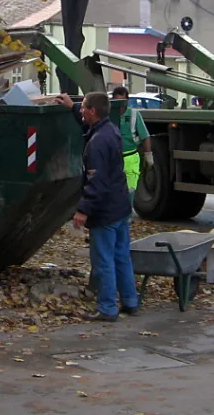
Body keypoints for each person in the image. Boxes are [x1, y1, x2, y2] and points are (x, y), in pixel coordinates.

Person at [58, 92, 139, 322]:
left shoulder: (97, 144)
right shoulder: (110, 130)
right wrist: (72, 107)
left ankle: (107, 308)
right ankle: (130, 301)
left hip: (105, 212)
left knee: (103, 261)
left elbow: (96, 182)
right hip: (120, 207)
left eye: (83, 107)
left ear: (93, 111)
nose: (81, 110)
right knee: (122, 257)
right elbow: (88, 127)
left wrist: (83, 210)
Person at [109, 87, 152, 203]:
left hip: (130, 158)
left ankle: (126, 216)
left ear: (127, 100)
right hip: (113, 159)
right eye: (117, 101)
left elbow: (145, 136)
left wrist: (149, 156)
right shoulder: (108, 115)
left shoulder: (134, 115)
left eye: (122, 101)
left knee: (129, 191)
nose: (120, 105)